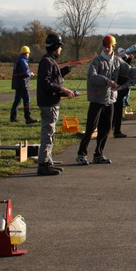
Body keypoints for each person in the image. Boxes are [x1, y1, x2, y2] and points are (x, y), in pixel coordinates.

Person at [76, 35, 136, 165]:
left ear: (114, 46)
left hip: (110, 100)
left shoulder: (118, 61)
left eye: (110, 46)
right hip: (97, 100)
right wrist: (107, 81)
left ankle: (98, 154)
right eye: (106, 46)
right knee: (91, 128)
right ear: (103, 46)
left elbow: (129, 71)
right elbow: (91, 76)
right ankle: (81, 154)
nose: (107, 49)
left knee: (106, 127)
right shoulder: (97, 61)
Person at [36, 33, 76, 176]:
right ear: (56, 46)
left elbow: (55, 77)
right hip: (49, 103)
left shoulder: (50, 61)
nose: (61, 49)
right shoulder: (47, 61)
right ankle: (43, 165)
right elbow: (46, 83)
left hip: (51, 102)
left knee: (50, 134)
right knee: (48, 134)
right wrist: (64, 90)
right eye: (60, 46)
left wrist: (68, 69)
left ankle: (48, 161)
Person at [10, 46, 38, 124]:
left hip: (18, 84)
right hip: (23, 84)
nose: (29, 54)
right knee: (27, 101)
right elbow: (24, 73)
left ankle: (13, 117)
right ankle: (28, 118)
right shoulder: (23, 61)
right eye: (28, 53)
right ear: (26, 53)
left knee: (17, 101)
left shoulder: (18, 60)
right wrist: (30, 74)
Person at [111, 55, 134, 139]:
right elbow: (126, 69)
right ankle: (116, 131)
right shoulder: (120, 71)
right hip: (118, 95)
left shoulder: (118, 69)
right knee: (117, 114)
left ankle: (111, 129)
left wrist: (129, 59)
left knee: (114, 113)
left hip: (116, 95)